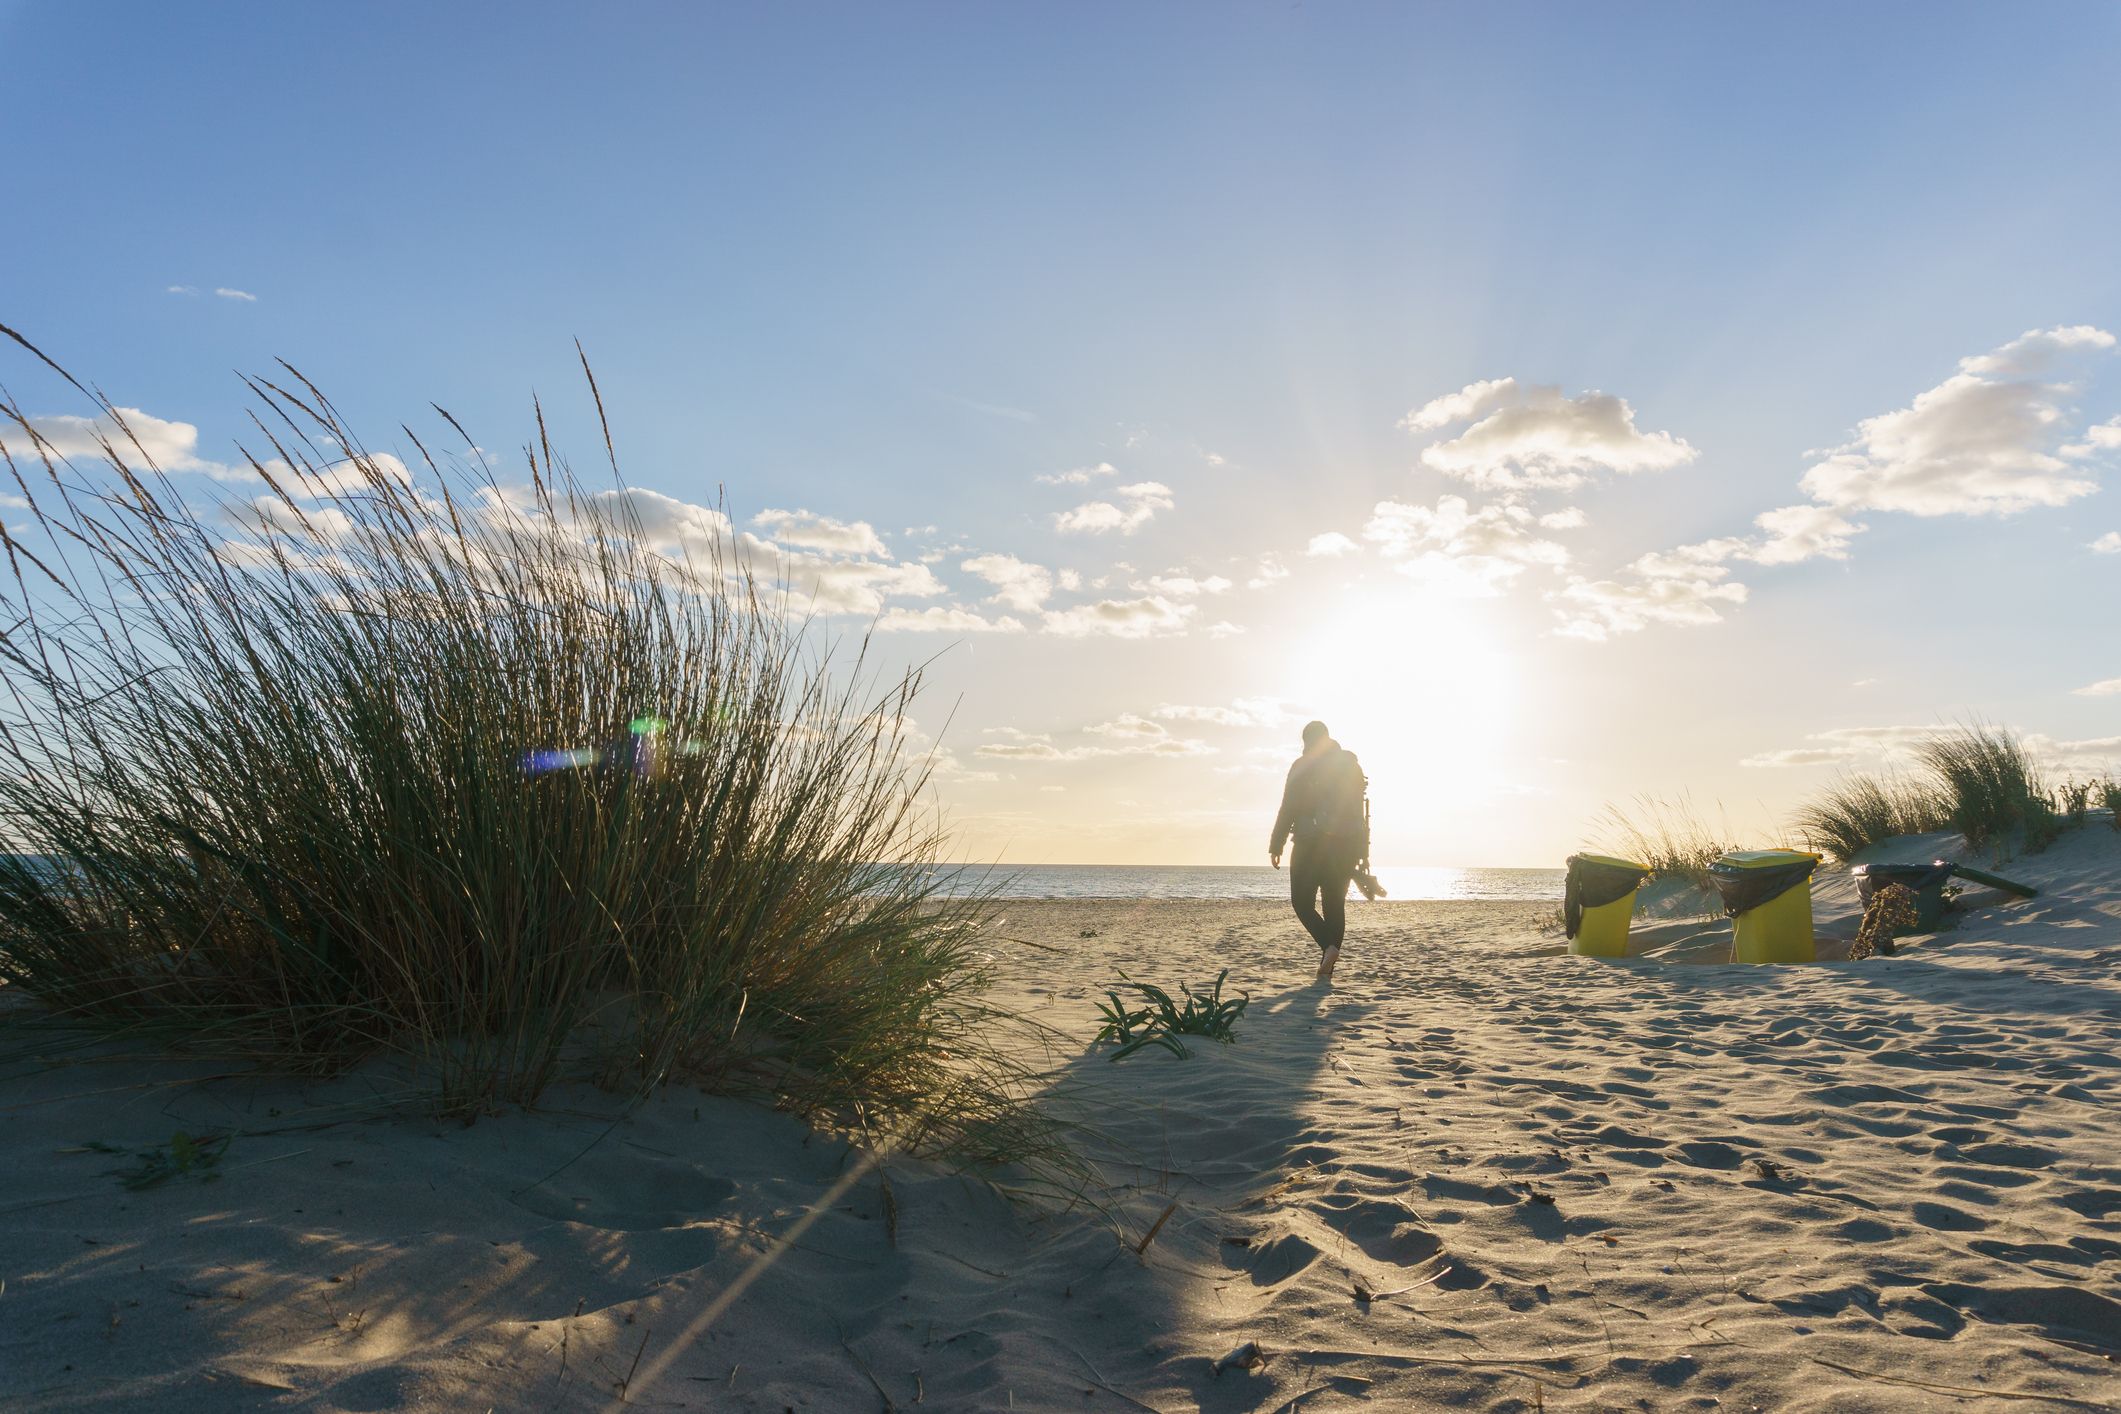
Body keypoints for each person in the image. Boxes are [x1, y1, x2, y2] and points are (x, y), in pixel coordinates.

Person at [1269, 720, 1367, 984]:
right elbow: (1359, 808)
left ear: (1307, 741)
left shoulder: (1302, 766)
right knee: (1334, 904)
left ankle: (1328, 947)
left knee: (1301, 902)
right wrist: (1360, 848)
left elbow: (1287, 806)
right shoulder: (1351, 765)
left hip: (1309, 842)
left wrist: (1276, 844)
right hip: (1346, 844)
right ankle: (1328, 964)